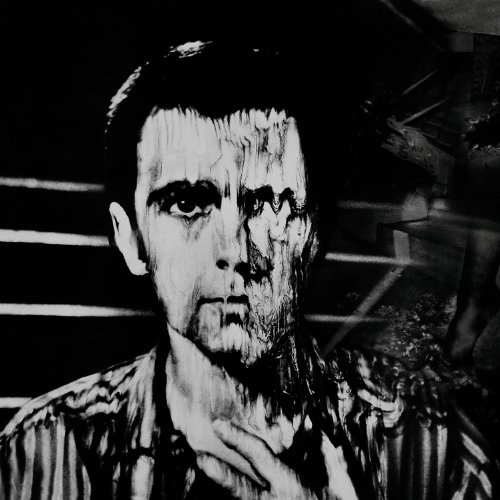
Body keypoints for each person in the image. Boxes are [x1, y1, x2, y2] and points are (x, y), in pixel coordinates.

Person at [0, 41, 497, 500]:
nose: (235, 249)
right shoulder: (47, 451)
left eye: (269, 203)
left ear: (313, 233)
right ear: (130, 239)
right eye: (187, 203)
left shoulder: (429, 445)